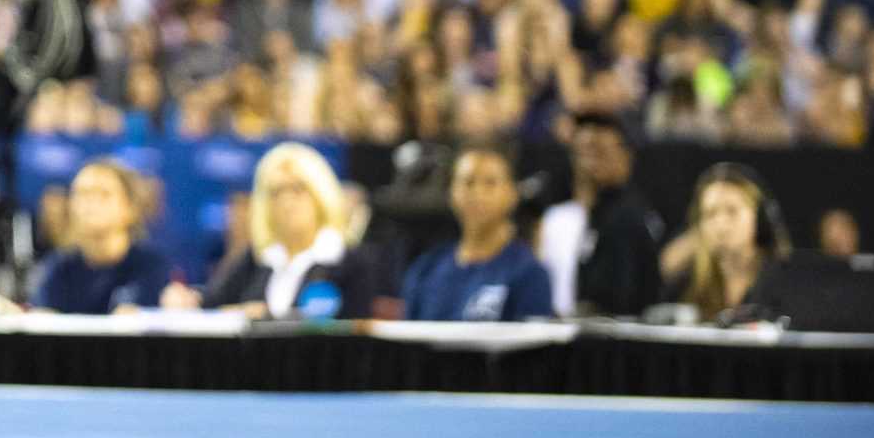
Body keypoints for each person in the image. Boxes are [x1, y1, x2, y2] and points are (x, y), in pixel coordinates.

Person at [200, 143, 380, 320]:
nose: (287, 202)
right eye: (276, 192)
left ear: (319, 195)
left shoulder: (349, 263)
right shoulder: (258, 258)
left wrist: (267, 318)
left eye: (298, 189)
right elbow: (211, 304)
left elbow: (353, 329)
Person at [399, 146, 555, 322]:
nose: (477, 194)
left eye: (490, 183)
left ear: (512, 194)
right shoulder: (425, 270)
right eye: (468, 182)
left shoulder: (529, 273)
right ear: (452, 193)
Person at [29, 160, 176, 315]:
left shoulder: (151, 266)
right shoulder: (57, 268)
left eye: (103, 194)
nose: (90, 203)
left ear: (130, 208)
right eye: (81, 194)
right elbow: (43, 319)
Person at [662, 164, 799, 326]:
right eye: (710, 213)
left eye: (732, 211)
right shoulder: (688, 283)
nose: (721, 225)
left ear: (759, 218)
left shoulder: (787, 282)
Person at [560, 113, 666, 317]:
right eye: (583, 153)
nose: (590, 164)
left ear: (626, 157)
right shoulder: (585, 213)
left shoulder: (627, 216)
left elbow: (622, 299)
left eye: (600, 153)